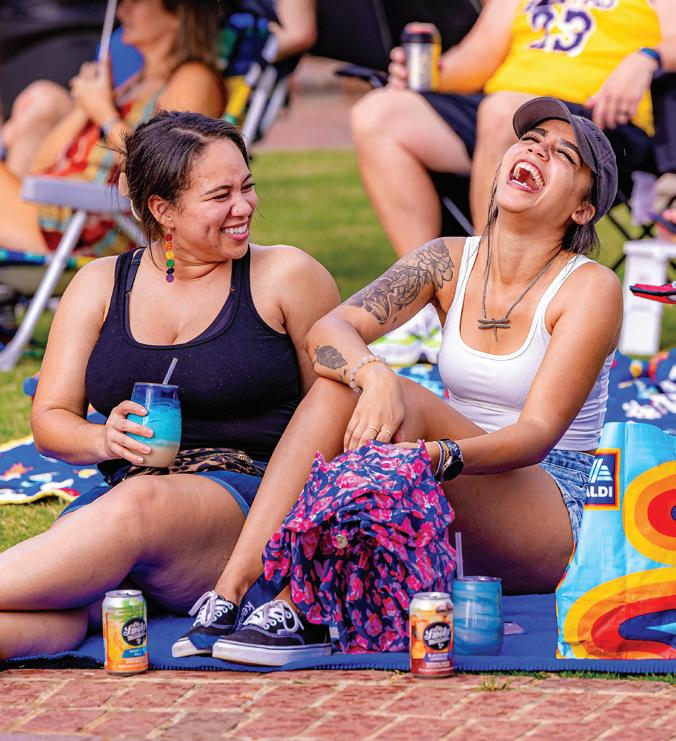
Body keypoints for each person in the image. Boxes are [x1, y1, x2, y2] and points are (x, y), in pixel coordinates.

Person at [173, 97, 624, 666]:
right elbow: (330, 329)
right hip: (456, 493)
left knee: (403, 403)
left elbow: (535, 435)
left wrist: (432, 455)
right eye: (531, 140)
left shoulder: (591, 288)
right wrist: (376, 375)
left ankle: (300, 607)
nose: (536, 151)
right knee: (345, 386)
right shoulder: (447, 260)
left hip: (552, 509)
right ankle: (232, 590)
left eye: (562, 155)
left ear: (583, 209)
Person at [0, 110, 340, 660]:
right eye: (220, 195)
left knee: (140, 504)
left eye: (247, 186)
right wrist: (103, 438)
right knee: (59, 617)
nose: (244, 207)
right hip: (123, 501)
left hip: (248, 505)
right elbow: (50, 421)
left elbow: (337, 407)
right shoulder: (99, 284)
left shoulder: (286, 277)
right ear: (162, 210)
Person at [351, 0, 672, 360]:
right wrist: (426, 72)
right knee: (377, 114)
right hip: (500, 112)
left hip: (599, 119)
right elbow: (479, 57)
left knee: (502, 111)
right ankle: (430, 302)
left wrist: (647, 57)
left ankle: (480, 303)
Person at [0, 0, 226, 255]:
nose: (122, 11)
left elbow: (161, 171)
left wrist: (104, 113)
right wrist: (84, 108)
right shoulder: (130, 86)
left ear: (178, 11)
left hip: (98, 224)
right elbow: (39, 167)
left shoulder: (194, 78)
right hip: (65, 210)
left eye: (135, 1)